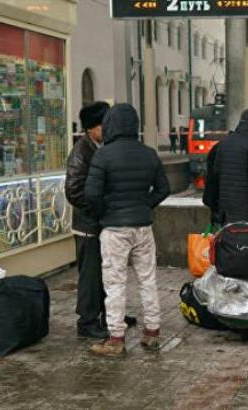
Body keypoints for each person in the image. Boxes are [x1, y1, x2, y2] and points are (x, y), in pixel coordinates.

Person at [85, 103, 170, 357]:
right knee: (148, 280)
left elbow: (91, 194)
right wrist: (145, 205)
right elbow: (164, 189)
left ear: (110, 124)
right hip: (143, 228)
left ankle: (116, 339)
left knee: (115, 283)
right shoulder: (149, 153)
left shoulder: (103, 155)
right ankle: (152, 333)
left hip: (115, 230)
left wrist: (105, 213)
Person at [65, 101, 110, 339]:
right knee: (90, 276)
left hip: (98, 223)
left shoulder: (98, 147)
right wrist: (95, 209)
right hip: (87, 225)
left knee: (103, 273)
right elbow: (73, 191)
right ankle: (87, 321)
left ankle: (106, 313)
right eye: (103, 126)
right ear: (91, 128)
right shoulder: (82, 151)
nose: (106, 130)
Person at [214, 109, 248, 224]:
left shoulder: (224, 142)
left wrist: (214, 208)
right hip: (243, 207)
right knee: (242, 240)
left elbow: (215, 175)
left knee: (227, 239)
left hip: (224, 208)